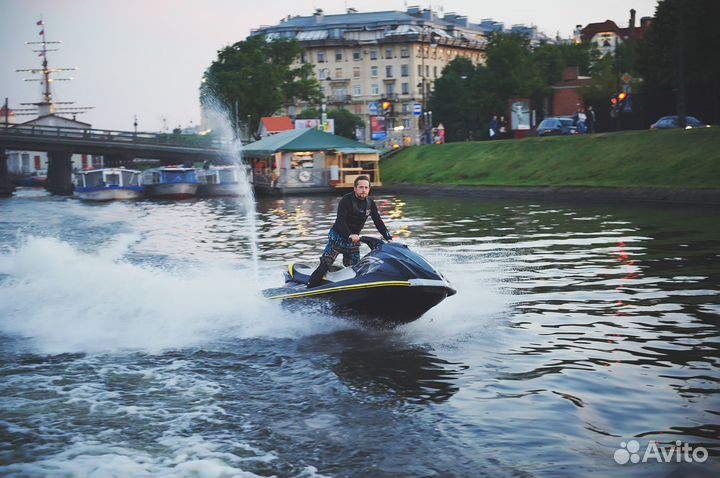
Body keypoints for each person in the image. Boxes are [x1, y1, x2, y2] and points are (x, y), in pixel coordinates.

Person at [307, 176, 392, 288]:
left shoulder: (370, 203)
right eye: (361, 187)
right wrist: (349, 235)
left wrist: (388, 238)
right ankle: (309, 288)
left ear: (369, 189)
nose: (363, 190)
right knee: (325, 264)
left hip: (353, 242)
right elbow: (340, 220)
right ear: (355, 188)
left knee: (356, 270)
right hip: (337, 238)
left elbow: (378, 221)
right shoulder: (346, 200)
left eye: (366, 187)